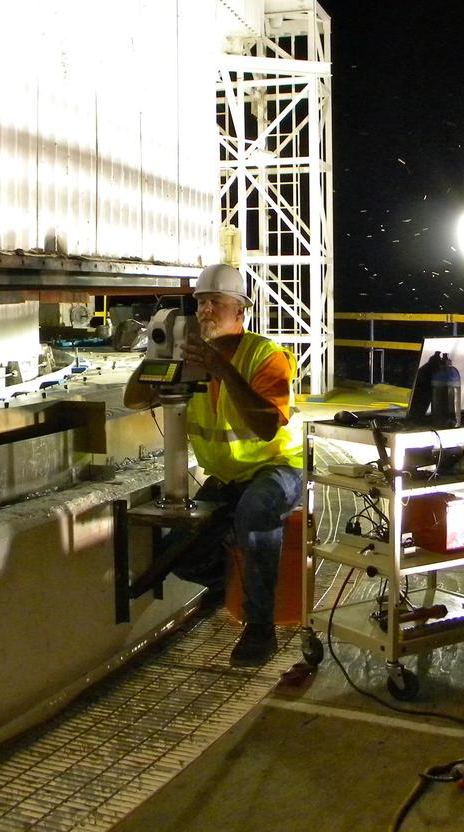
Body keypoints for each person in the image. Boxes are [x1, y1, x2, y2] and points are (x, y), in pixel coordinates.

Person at [123, 263, 303, 667]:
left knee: (256, 510)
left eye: (215, 304)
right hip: (228, 478)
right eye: (201, 303)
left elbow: (267, 423)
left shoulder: (265, 356)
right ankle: (240, 587)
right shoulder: (188, 360)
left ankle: (260, 628)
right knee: (183, 554)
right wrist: (157, 351)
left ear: (240, 311)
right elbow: (135, 400)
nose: (205, 311)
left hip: (279, 469)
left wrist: (221, 367)